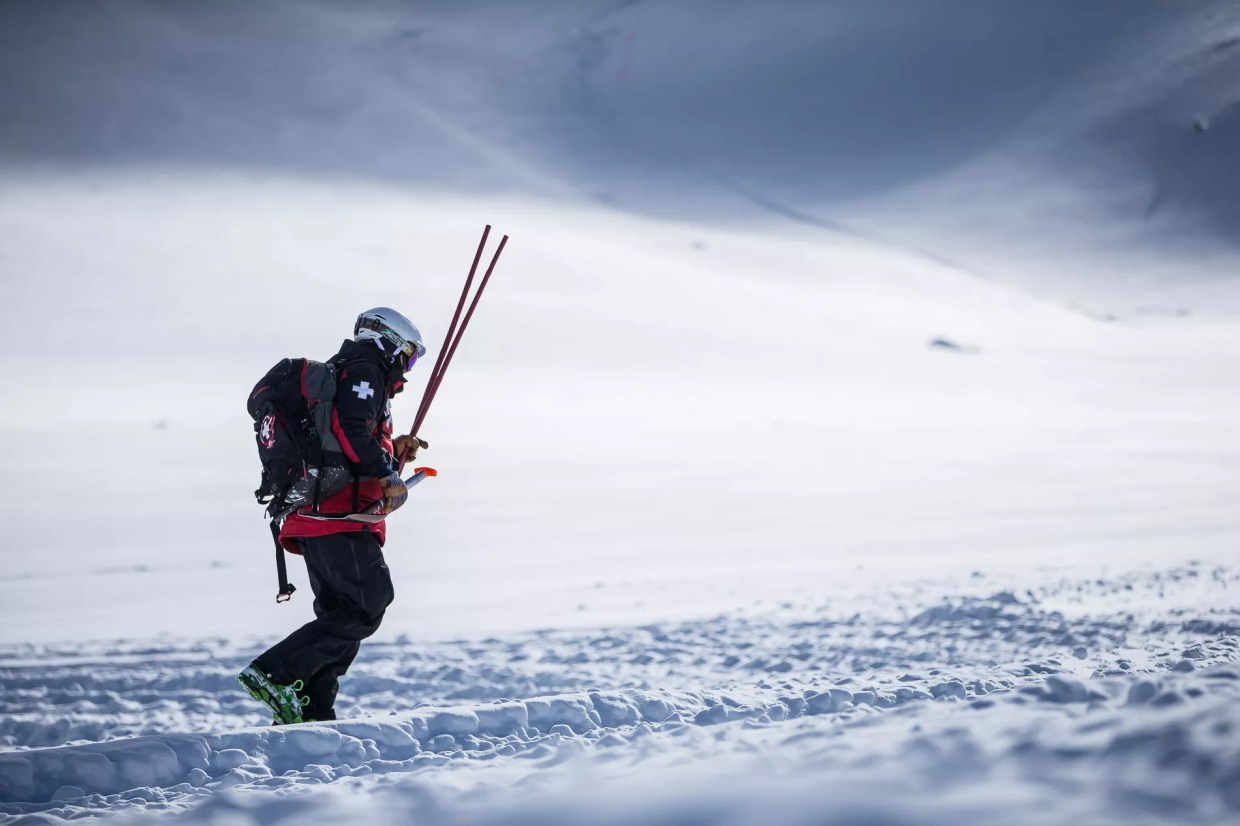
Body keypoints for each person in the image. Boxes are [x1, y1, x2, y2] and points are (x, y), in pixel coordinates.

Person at [238, 307, 427, 724]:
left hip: (315, 514)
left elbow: (344, 437)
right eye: (409, 357)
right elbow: (353, 430)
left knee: (341, 614)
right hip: (339, 516)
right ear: (390, 343)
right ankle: (276, 673)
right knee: (368, 603)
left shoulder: (346, 372)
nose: (407, 370)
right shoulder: (365, 368)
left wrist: (391, 450)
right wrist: (386, 473)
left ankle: (311, 710)